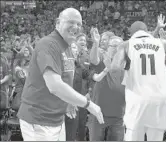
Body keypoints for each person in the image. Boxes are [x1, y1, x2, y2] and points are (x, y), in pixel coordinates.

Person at [17, 8, 104, 141]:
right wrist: (88, 104)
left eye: (79, 24)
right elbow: (55, 86)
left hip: (56, 118)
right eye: (71, 22)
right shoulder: (48, 44)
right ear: (58, 22)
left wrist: (69, 101)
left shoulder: (67, 47)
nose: (76, 27)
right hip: (39, 119)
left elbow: (65, 80)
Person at [111, 20, 166, 141]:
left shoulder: (126, 44)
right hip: (160, 100)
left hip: (137, 101)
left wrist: (127, 64)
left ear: (131, 33)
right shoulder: (163, 43)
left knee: (134, 137)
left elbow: (114, 68)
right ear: (147, 31)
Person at [89, 28, 126, 141]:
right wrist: (96, 43)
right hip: (99, 113)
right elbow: (93, 60)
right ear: (107, 47)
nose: (115, 49)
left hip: (119, 116)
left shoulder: (126, 63)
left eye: (118, 46)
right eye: (113, 46)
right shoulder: (102, 57)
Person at [65, 33, 90, 141]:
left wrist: (90, 91)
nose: (74, 50)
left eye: (75, 48)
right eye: (72, 47)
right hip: (63, 104)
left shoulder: (80, 66)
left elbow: (91, 77)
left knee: (76, 129)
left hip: (77, 101)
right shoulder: (62, 65)